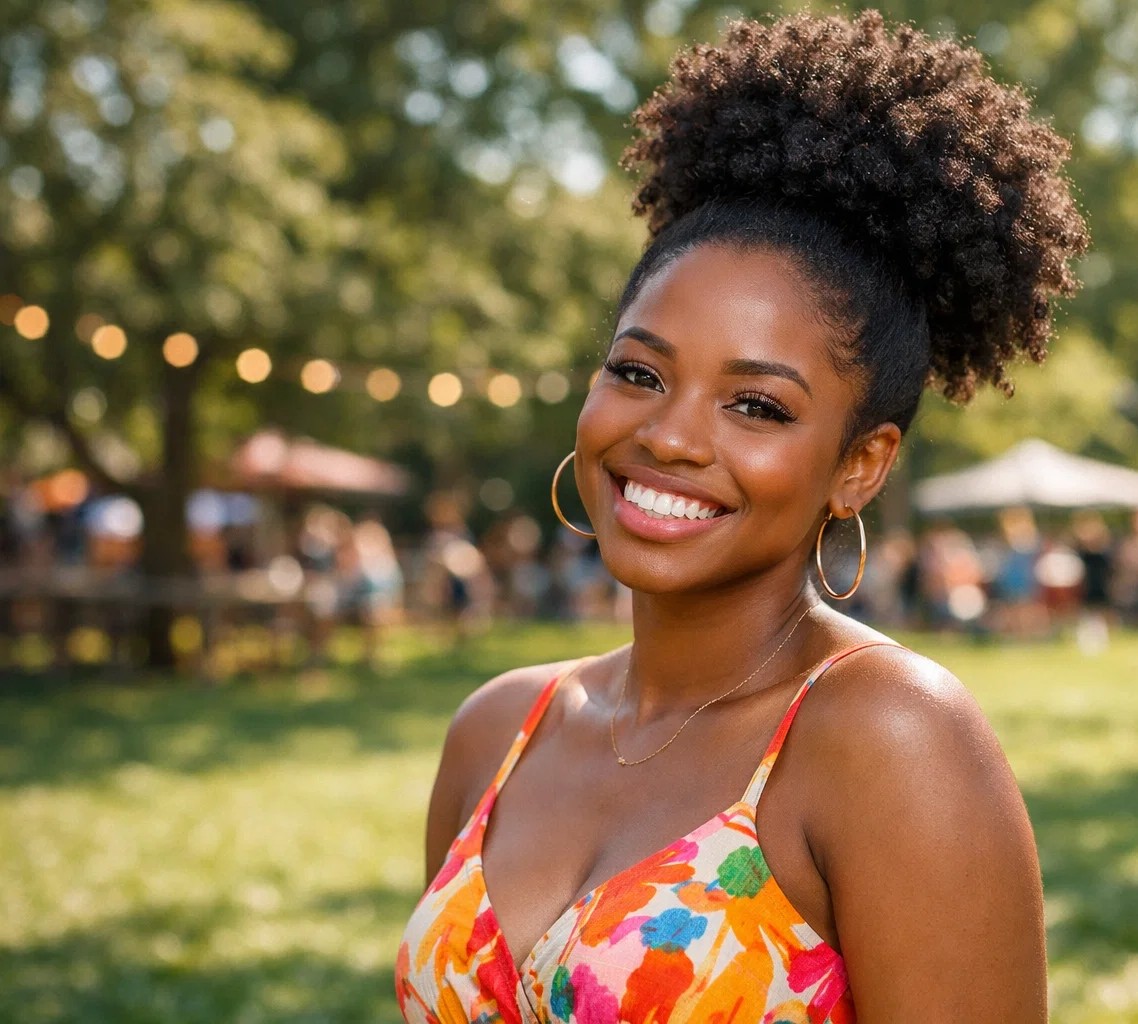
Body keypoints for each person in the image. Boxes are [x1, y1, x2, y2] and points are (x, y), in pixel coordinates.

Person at [397, 13, 1085, 1023]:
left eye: (756, 405)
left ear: (860, 465)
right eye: (638, 373)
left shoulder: (889, 736)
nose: (670, 437)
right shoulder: (498, 730)